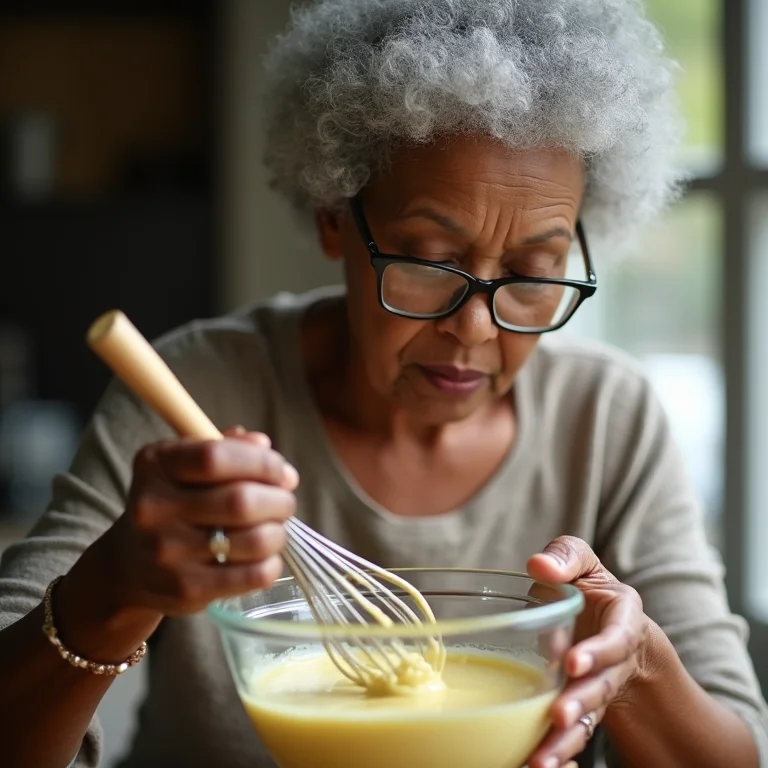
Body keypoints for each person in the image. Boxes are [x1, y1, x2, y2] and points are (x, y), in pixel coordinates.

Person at [1, 1, 766, 766]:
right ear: (336, 219)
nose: (475, 329)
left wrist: (637, 670)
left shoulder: (608, 419)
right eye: (430, 260)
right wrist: (110, 592)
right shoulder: (199, 387)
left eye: (534, 273)